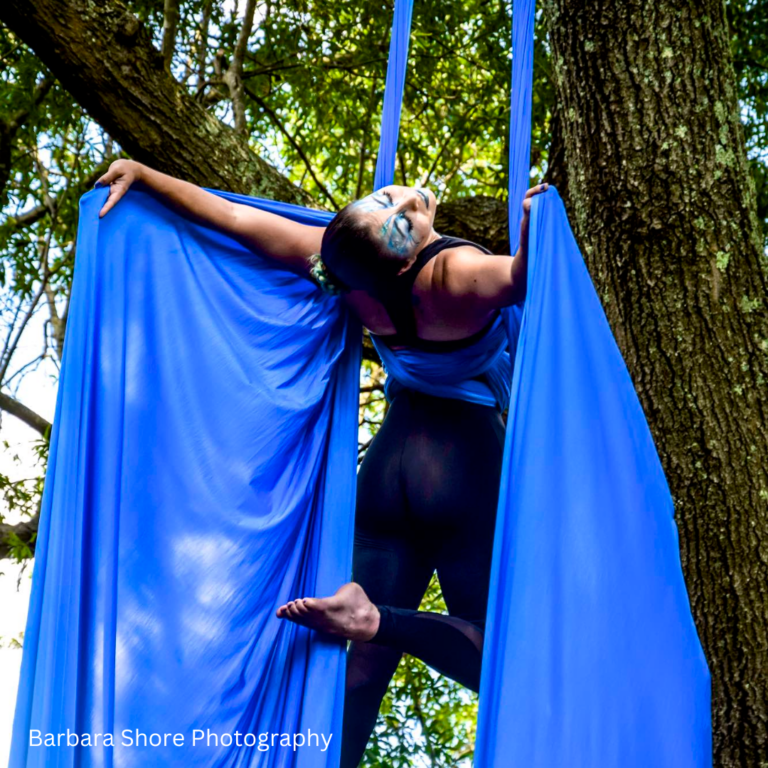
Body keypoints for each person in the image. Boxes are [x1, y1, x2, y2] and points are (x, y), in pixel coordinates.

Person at [96, 159, 548, 766]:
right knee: (499, 657)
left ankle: (363, 634)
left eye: (392, 199)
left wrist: (148, 177)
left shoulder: (347, 269)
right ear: (408, 259)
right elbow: (520, 278)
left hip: (387, 472)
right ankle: (376, 619)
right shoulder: (451, 274)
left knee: (358, 675)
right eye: (401, 215)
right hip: (459, 466)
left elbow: (235, 219)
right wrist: (531, 222)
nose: (409, 203)